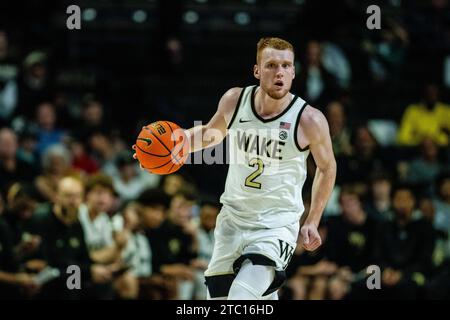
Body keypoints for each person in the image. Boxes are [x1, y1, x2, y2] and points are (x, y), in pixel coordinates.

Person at [133, 37, 337, 300]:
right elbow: (209, 134)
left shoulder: (309, 119)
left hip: (276, 224)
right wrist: (178, 141)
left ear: (294, 72)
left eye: (286, 66)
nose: (279, 72)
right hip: (233, 220)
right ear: (257, 70)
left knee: (242, 296)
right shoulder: (235, 100)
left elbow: (327, 167)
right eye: (272, 65)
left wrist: (312, 220)